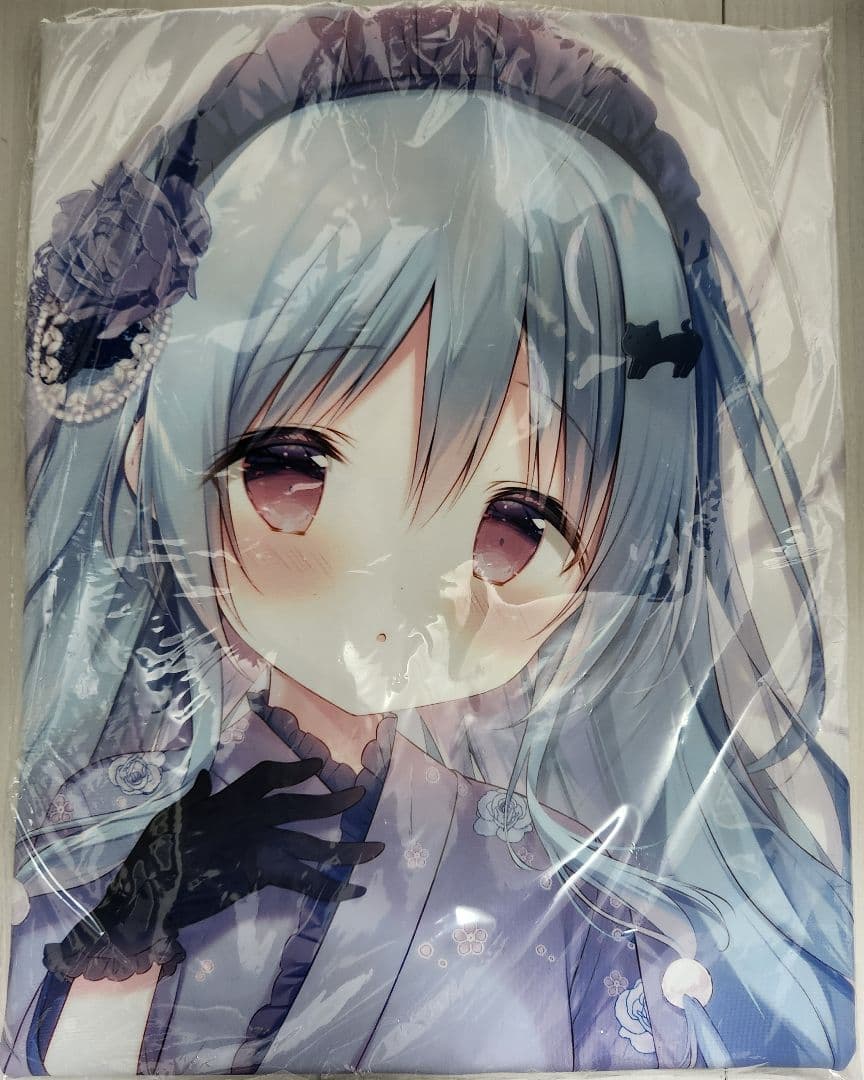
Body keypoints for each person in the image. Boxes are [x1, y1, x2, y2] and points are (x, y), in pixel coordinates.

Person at [3, 5, 854, 1074]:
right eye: (292, 470)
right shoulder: (127, 824)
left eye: (515, 526)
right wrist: (131, 933)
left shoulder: (558, 890)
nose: (399, 593)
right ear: (147, 449)